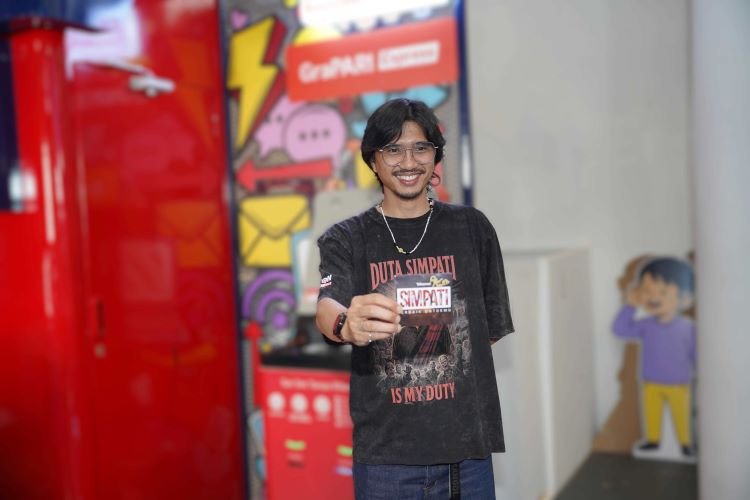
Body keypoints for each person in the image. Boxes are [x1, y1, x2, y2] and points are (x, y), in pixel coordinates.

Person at [315, 98, 514, 499]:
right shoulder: (346, 238)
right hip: (386, 456)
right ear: (373, 160)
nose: (408, 161)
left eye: (421, 147)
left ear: (435, 156)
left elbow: (485, 331)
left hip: (466, 453)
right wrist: (346, 325)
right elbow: (329, 308)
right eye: (393, 149)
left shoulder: (472, 228)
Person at [612, 257, 696, 458]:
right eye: (647, 291)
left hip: (679, 383)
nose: (653, 297)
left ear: (684, 298)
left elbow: (696, 354)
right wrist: (630, 306)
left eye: (662, 292)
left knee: (681, 414)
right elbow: (619, 329)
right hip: (651, 382)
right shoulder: (646, 325)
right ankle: (652, 440)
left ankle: (685, 443)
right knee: (651, 413)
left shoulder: (687, 328)